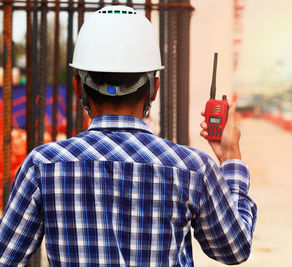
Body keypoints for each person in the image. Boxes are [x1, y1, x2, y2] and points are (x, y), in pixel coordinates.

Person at [0, 5, 257, 266]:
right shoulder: (192, 168)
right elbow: (233, 250)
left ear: (78, 87)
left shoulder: (42, 166)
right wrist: (231, 158)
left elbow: (6, 257)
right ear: (154, 88)